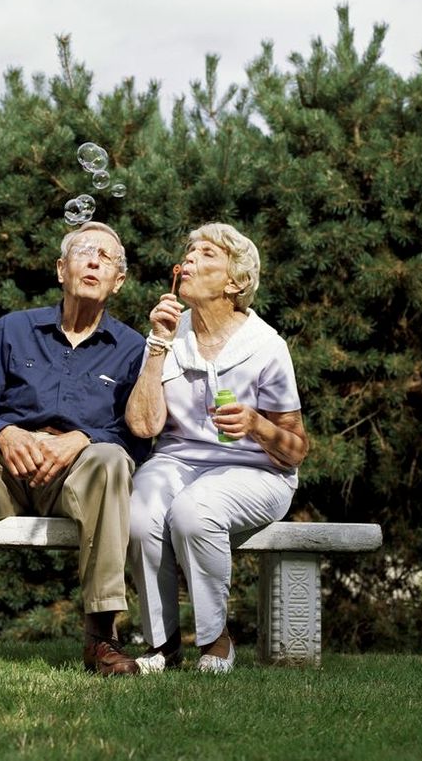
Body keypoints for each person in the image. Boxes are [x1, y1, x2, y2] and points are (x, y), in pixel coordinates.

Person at [0, 221, 149, 673]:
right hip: (6, 472)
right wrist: (5, 434)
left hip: (76, 479)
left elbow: (138, 437)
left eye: (106, 257)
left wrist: (84, 439)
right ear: (61, 269)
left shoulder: (132, 348)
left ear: (118, 281)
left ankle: (102, 636)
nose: (94, 261)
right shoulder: (12, 329)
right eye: (84, 251)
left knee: (110, 458)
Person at [125, 222, 309, 673]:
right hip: (176, 461)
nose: (189, 258)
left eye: (207, 253)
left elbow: (295, 449)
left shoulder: (265, 346)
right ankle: (162, 646)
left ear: (235, 282)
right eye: (190, 251)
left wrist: (256, 425)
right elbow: (144, 426)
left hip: (257, 471)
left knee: (194, 510)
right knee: (138, 514)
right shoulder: (170, 334)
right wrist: (157, 344)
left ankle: (215, 640)